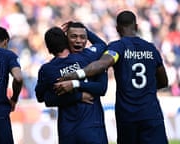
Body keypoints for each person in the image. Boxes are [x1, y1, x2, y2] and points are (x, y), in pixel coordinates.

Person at [56, 10, 169, 144]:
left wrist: (75, 75)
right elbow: (163, 81)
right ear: (136, 27)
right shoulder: (151, 49)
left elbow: (102, 64)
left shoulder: (117, 48)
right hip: (151, 113)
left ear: (117, 29)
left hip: (127, 115)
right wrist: (145, 91)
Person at [35, 25, 108, 144]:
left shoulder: (47, 70)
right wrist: (85, 30)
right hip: (92, 127)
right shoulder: (88, 56)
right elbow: (103, 45)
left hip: (67, 130)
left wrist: (74, 94)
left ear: (48, 49)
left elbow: (43, 98)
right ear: (66, 41)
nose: (78, 40)